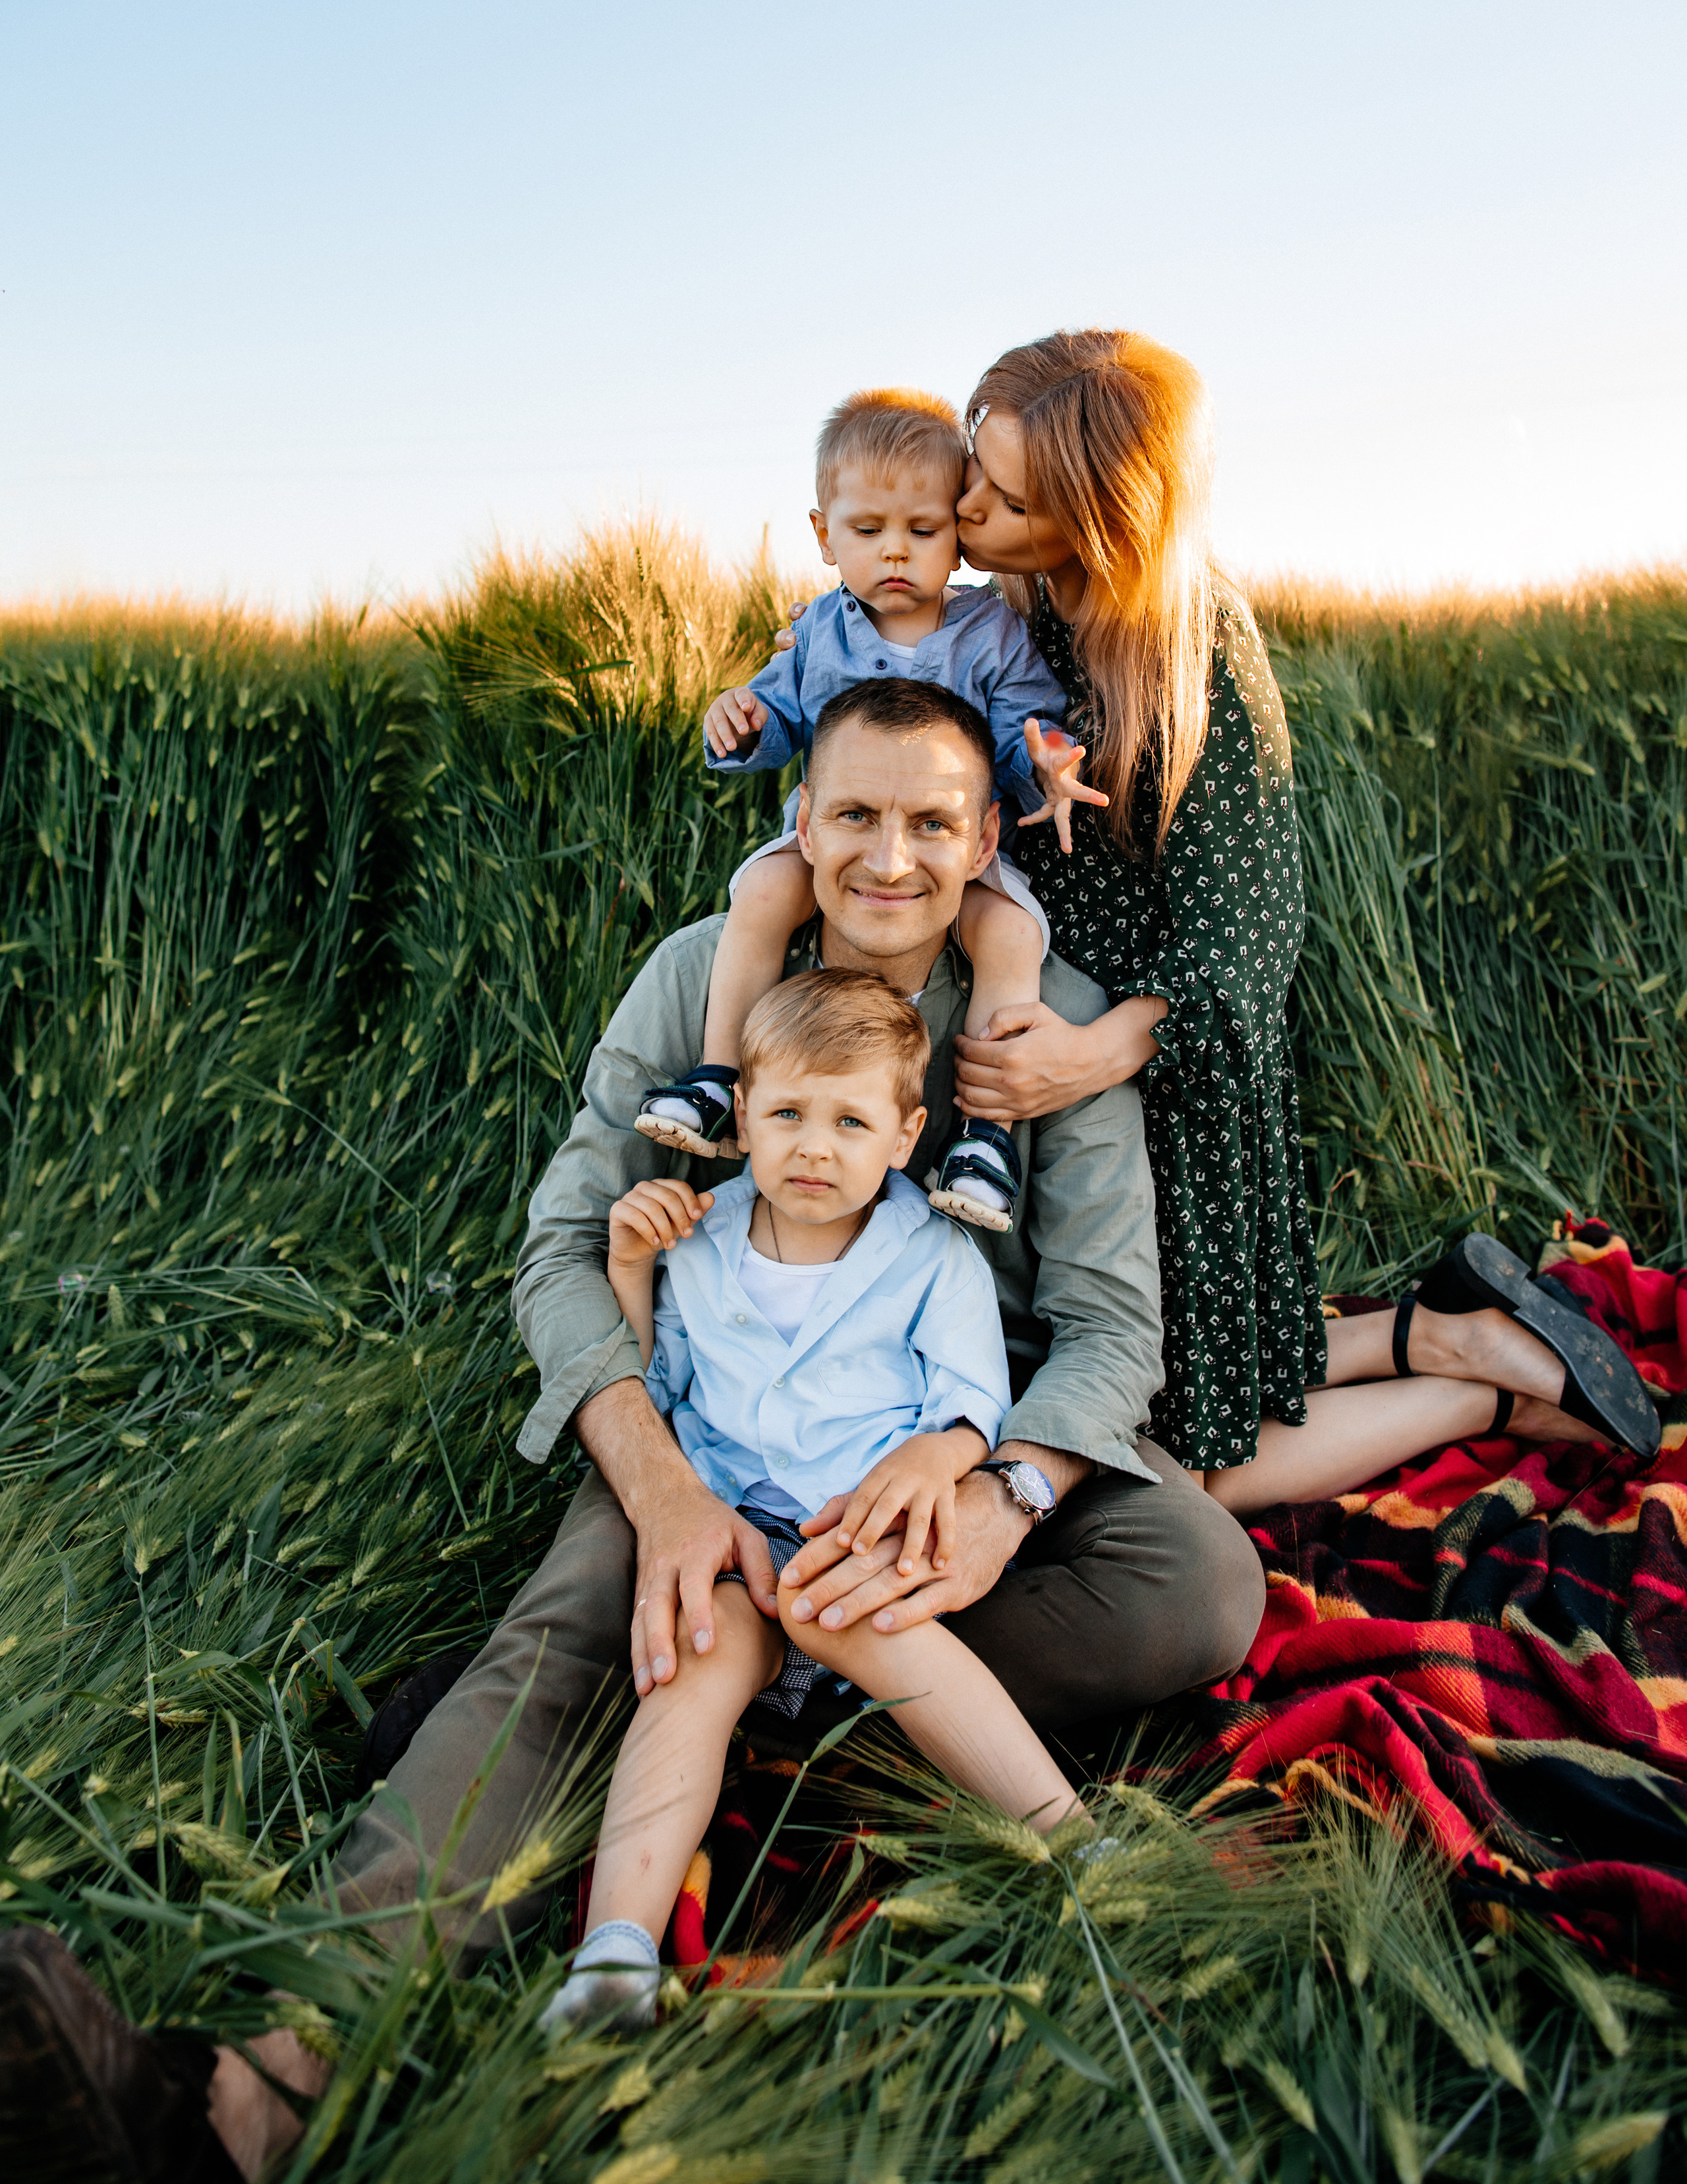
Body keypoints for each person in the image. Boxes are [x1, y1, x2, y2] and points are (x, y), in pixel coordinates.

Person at [44, 675, 1259, 2179]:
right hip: (706, 1413)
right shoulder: (707, 975)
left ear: (985, 832)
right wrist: (662, 1487)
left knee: (1198, 1581)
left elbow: (1109, 1319)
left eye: (930, 823)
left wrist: (992, 1485)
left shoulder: (1038, 1016)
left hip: (941, 1426)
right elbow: (566, 1243)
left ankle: (750, 1685)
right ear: (799, 822)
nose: (890, 858)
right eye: (854, 816)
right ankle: (257, 2080)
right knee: (574, 1625)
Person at [934, 327, 1660, 1501]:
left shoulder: (1193, 647)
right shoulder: (1006, 615)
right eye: (974, 463)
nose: (966, 507)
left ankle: (1472, 1377)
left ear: (1103, 520)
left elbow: (1249, 930)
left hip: (1165, 1073)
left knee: (1180, 1461)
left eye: (1004, 499)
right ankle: (1433, 1330)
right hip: (1055, 1070)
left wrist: (1091, 1056)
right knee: (1184, 1379)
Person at [545, 968, 1082, 2037]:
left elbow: (973, 1403)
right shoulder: (699, 1234)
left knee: (872, 1621)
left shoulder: (933, 1253)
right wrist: (630, 1269)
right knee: (696, 1663)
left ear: (906, 1133)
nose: (816, 1147)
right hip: (737, 1536)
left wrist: (941, 1457)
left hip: (858, 1537)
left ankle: (1073, 1844)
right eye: (787, 1114)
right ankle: (616, 1951)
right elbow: (659, 1392)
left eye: (851, 1121)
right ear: (741, 1116)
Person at [636, 385, 1102, 1234]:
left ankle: (984, 1138)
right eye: (867, 531)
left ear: (957, 538)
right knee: (764, 896)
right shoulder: (819, 632)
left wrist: (1046, 759)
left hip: (957, 852)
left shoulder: (989, 633)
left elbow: (1027, 730)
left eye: (922, 532)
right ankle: (715, 1081)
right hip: (829, 845)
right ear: (824, 535)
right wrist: (740, 723)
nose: (896, 552)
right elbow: (778, 719)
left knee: (1009, 936)